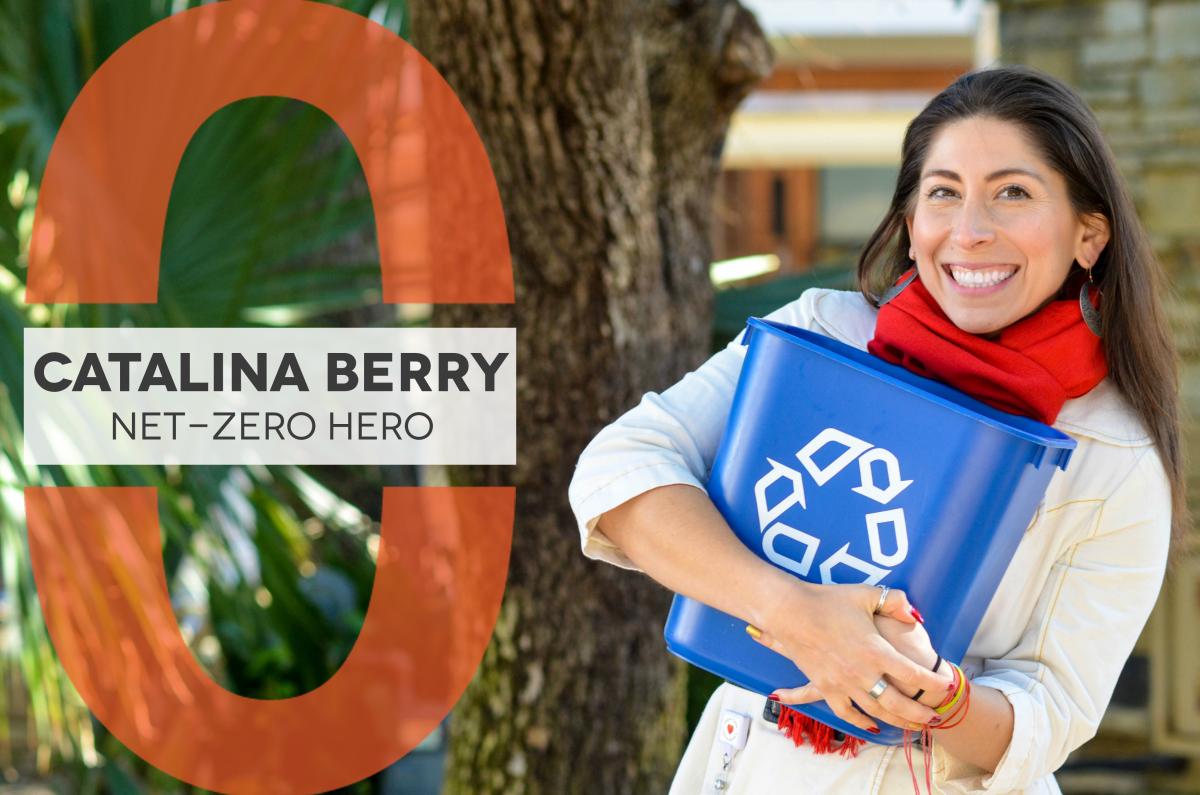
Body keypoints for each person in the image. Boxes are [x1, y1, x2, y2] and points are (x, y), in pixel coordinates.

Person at [567, 65, 1186, 794]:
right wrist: (791, 612)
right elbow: (620, 467)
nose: (971, 230)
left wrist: (919, 687)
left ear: (1088, 235)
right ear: (911, 219)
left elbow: (1051, 712)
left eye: (1012, 193)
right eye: (943, 193)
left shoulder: (1114, 458)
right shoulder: (820, 338)